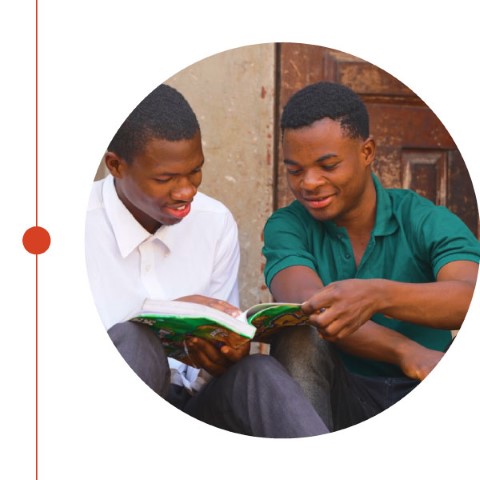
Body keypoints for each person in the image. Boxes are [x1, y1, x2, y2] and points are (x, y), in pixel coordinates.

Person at [85, 83, 328, 438]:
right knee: (135, 341)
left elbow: (218, 355)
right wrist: (153, 322)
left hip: (194, 406)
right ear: (116, 165)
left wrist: (226, 354)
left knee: (258, 373)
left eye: (195, 171)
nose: (186, 192)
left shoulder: (214, 222)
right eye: (165, 178)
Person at [262, 81, 480, 432]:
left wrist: (378, 295)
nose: (309, 183)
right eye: (295, 170)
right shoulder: (288, 225)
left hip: (425, 385)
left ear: (366, 153)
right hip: (335, 399)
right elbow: (311, 307)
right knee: (299, 331)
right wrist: (404, 351)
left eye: (328, 165)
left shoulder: (423, 218)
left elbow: (469, 295)